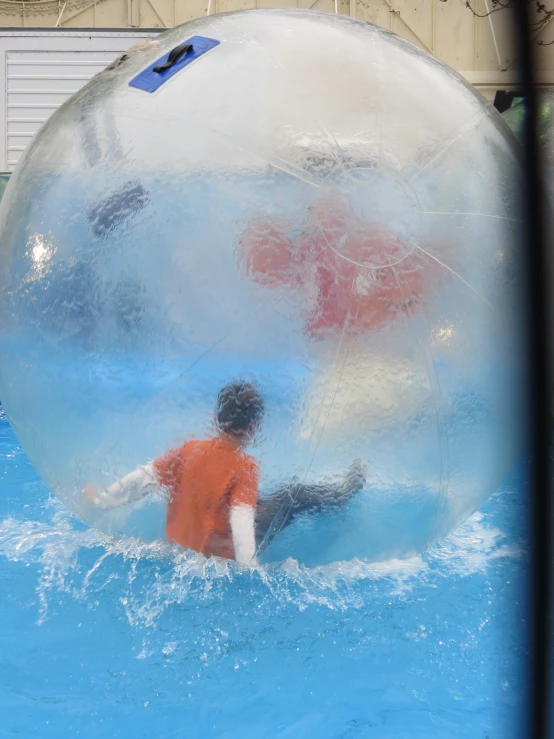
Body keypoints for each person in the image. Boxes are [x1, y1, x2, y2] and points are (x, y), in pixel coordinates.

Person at [85, 381, 365, 565]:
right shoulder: (244, 468)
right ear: (253, 427)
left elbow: (142, 479)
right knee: (291, 493)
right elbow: (241, 523)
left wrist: (103, 502)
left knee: (254, 500)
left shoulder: (189, 449)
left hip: (179, 549)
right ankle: (343, 493)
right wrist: (249, 572)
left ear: (217, 419)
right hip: (219, 559)